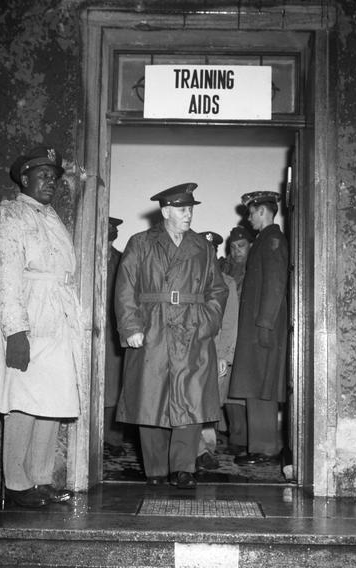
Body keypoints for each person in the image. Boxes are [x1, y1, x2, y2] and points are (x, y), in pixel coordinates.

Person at [114, 183, 228, 489]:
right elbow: (125, 286)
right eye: (182, 209)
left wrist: (208, 321)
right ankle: (155, 469)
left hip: (192, 329)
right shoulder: (141, 243)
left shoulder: (202, 247)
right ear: (166, 212)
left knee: (190, 399)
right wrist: (131, 327)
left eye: (190, 209)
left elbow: (218, 289)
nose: (188, 214)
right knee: (150, 399)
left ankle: (183, 468)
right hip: (153, 327)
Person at [0, 145, 81, 508]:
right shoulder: (9, 215)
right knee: (24, 400)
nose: (50, 183)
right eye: (43, 176)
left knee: (53, 399)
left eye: (54, 178)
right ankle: (16, 483)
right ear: (24, 178)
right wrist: (15, 330)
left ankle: (40, 478)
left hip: (57, 316)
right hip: (29, 314)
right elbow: (4, 274)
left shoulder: (51, 216)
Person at [229, 191, 289, 466]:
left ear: (263, 211)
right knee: (256, 385)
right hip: (257, 327)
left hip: (263, 328)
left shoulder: (273, 239)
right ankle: (259, 446)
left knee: (263, 386)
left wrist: (265, 324)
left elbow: (275, 286)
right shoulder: (264, 240)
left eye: (252, 212)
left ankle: (266, 449)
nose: (249, 217)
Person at [193, 231, 230, 471]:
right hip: (192, 349)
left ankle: (207, 450)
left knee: (209, 404)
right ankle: (196, 451)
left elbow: (229, 323)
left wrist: (224, 354)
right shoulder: (191, 280)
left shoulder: (227, 282)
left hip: (215, 351)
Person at [219, 226, 254, 455]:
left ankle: (240, 439)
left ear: (250, 246)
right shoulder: (224, 267)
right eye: (233, 247)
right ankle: (230, 434)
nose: (236, 251)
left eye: (241, 246)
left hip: (246, 334)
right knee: (226, 387)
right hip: (228, 331)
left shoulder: (254, 268)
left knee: (241, 390)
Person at [103, 217, 126, 456]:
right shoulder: (86, 258)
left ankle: (114, 439)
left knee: (115, 385)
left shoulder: (122, 260)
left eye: (112, 231)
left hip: (114, 332)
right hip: (92, 329)